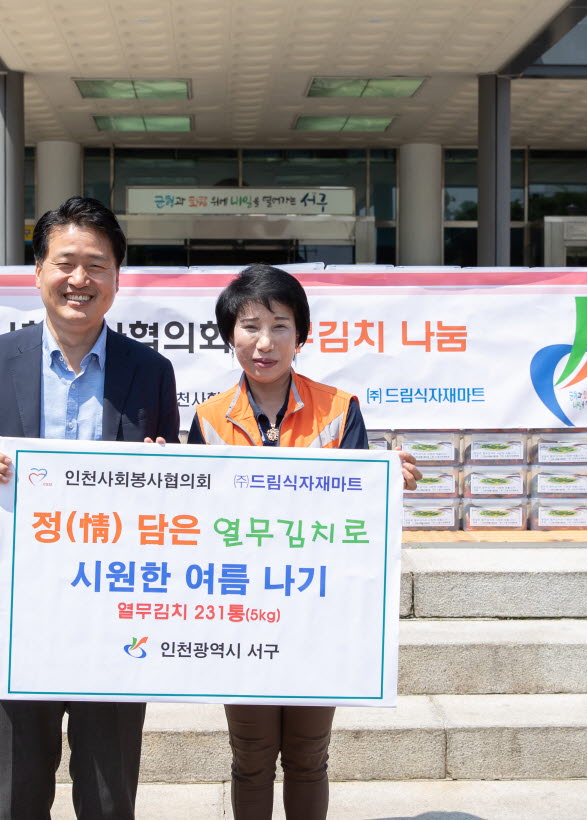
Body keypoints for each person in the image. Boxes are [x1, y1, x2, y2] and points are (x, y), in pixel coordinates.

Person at [0, 196, 180, 820]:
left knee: (109, 798)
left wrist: (164, 472)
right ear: (38, 271)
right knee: (18, 796)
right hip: (16, 611)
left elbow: (173, 483)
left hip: (114, 614)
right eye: (65, 263)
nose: (79, 279)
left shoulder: (150, 370)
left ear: (117, 278)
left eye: (97, 265)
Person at [188, 264, 420, 820]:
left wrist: (387, 476)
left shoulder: (340, 409)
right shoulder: (208, 418)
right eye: (250, 327)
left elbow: (359, 509)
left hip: (320, 610)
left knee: (308, 758)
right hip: (241, 611)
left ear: (302, 335)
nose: (264, 343)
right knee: (250, 758)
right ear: (230, 335)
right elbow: (196, 517)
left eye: (280, 327)